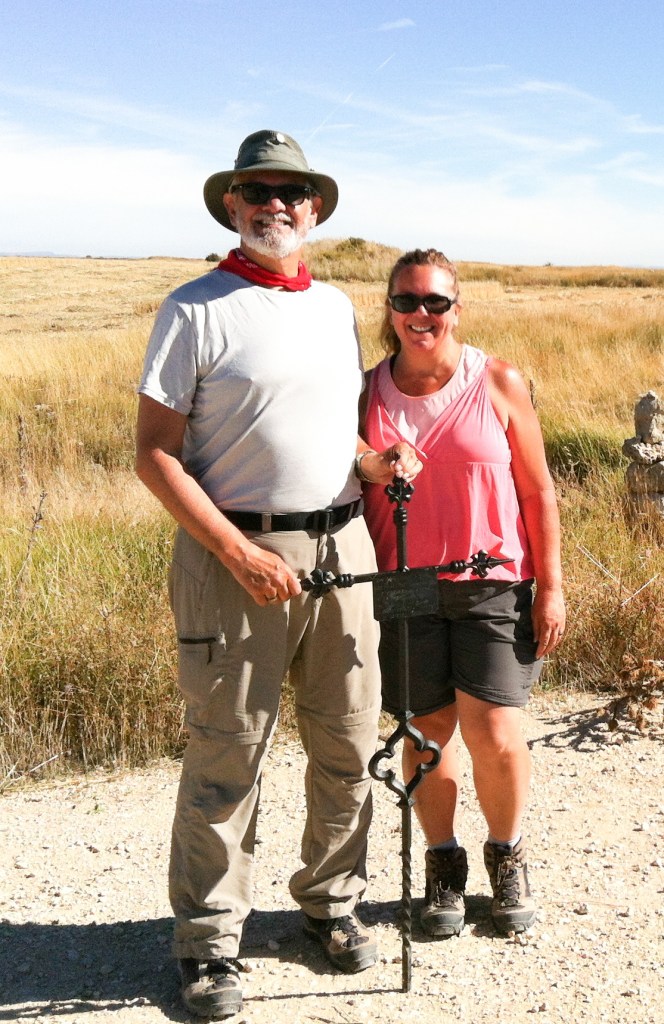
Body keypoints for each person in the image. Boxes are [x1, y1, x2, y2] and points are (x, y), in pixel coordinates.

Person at [135, 130, 421, 1019]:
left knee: (346, 742)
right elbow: (154, 453)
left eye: (291, 192)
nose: (275, 205)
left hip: (345, 551)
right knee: (228, 752)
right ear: (231, 204)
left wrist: (373, 463)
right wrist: (236, 550)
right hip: (237, 560)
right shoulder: (195, 309)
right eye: (256, 191)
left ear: (315, 208)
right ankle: (209, 944)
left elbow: (332, 433)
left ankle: (331, 905)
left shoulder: (332, 307)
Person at [360, 248, 565, 939]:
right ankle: (443, 863)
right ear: (390, 309)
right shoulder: (365, 391)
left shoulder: (498, 380)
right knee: (425, 733)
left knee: (495, 731)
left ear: (457, 307)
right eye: (407, 301)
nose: (421, 314)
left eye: (435, 302)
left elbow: (537, 490)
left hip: (492, 581)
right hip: (404, 583)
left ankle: (507, 855)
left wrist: (551, 586)